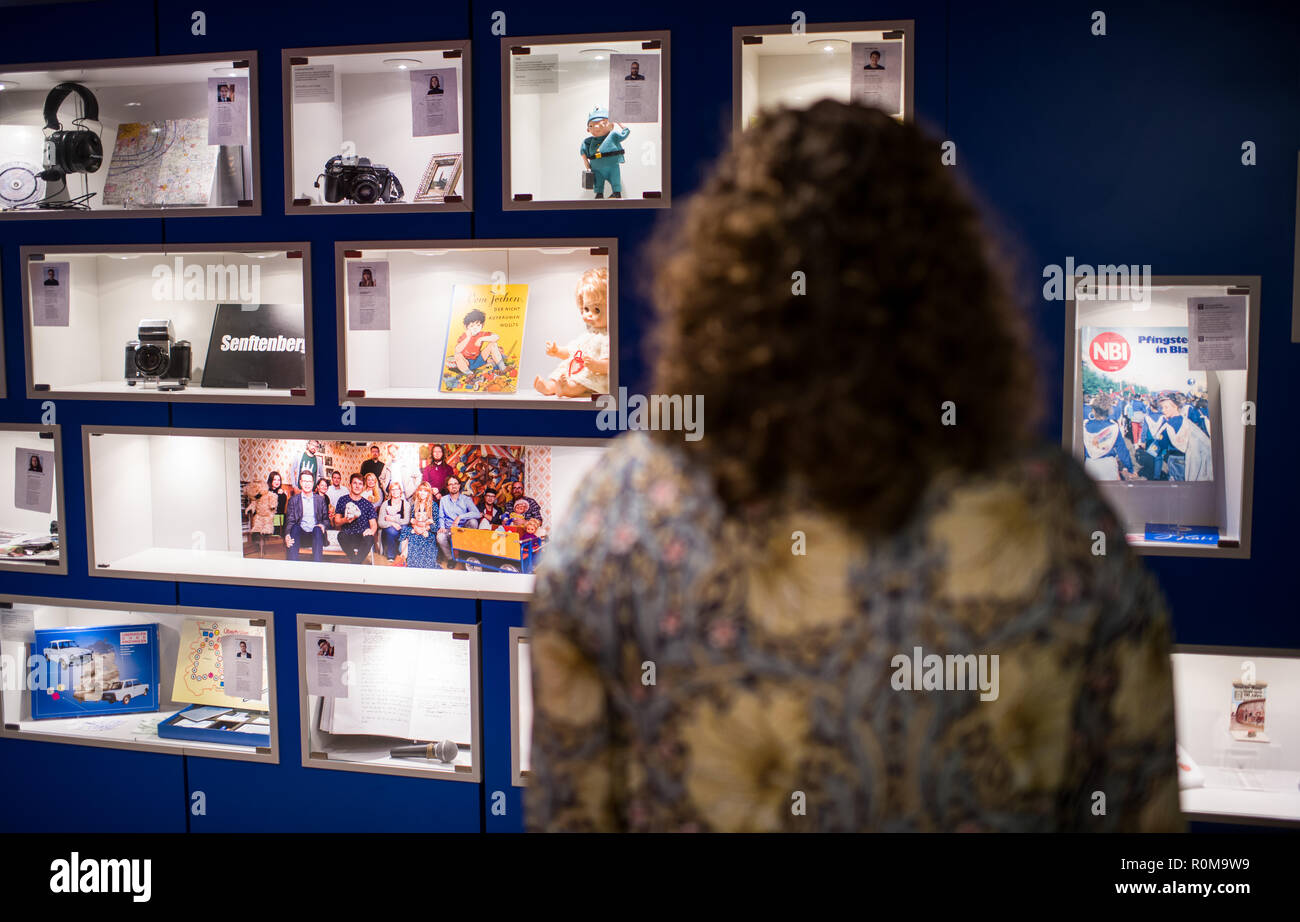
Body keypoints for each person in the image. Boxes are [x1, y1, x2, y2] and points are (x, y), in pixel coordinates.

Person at [525, 100, 1181, 833]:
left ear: (715, 282)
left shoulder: (619, 514)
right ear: (958, 284)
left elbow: (567, 811)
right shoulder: (1060, 517)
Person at [581, 107, 630, 200]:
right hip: (596, 167)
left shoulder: (613, 135)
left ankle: (616, 193)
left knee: (615, 178)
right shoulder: (588, 141)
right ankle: (599, 194)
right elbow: (583, 151)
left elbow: (625, 132)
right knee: (598, 182)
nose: (596, 127)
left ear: (611, 125)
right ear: (588, 129)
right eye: (591, 126)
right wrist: (586, 162)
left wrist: (619, 122)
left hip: (612, 165)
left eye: (603, 123)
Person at [1082, 397, 1134, 481]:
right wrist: (1129, 468)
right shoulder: (1113, 427)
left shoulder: (1084, 426)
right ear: (1109, 411)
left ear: (1093, 411)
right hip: (1109, 465)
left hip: (1090, 464)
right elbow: (1122, 451)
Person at [331, 473, 377, 564]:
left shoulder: (368, 504)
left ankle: (355, 563)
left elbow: (374, 524)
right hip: (348, 536)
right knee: (340, 535)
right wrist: (345, 520)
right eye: (355, 483)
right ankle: (357, 563)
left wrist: (371, 531)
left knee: (370, 538)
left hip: (362, 537)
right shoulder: (342, 500)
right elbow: (336, 522)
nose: (357, 486)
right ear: (350, 485)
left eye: (360, 484)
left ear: (363, 486)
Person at [285, 470, 329, 562]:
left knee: (317, 529)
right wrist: (287, 535)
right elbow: (290, 520)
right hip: (300, 535)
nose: (307, 484)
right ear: (300, 482)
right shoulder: (293, 500)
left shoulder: (320, 500)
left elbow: (326, 520)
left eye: (309, 481)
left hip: (315, 535)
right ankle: (292, 566)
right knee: (295, 527)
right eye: (304, 481)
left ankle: (317, 566)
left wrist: (323, 525)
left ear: (313, 483)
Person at [435, 476, 480, 566]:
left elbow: (477, 514)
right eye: (450, 484)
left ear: (459, 486)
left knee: (473, 522)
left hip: (463, 530)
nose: (453, 486)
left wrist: (460, 517)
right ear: (447, 487)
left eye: (455, 483)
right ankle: (451, 558)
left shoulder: (466, 499)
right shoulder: (444, 500)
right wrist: (442, 527)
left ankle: (465, 552)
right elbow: (441, 516)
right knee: (440, 536)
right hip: (449, 530)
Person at [397, 481, 440, 568]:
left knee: (414, 538)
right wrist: (416, 528)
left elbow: (435, 526)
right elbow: (412, 521)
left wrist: (423, 529)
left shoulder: (434, 505)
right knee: (406, 531)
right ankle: (403, 557)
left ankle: (402, 559)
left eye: (425, 491)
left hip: (428, 531)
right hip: (416, 528)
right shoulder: (415, 505)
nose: (422, 493)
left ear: (429, 493)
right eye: (420, 490)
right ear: (418, 492)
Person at [377, 481, 410, 562]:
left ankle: (402, 555)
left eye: (397, 489)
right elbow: (380, 522)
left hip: (402, 527)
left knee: (405, 529)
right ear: (390, 492)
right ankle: (391, 556)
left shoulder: (405, 504)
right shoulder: (385, 504)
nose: (395, 492)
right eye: (392, 490)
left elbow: (406, 520)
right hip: (389, 528)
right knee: (392, 531)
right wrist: (392, 523)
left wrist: (392, 519)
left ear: (400, 491)